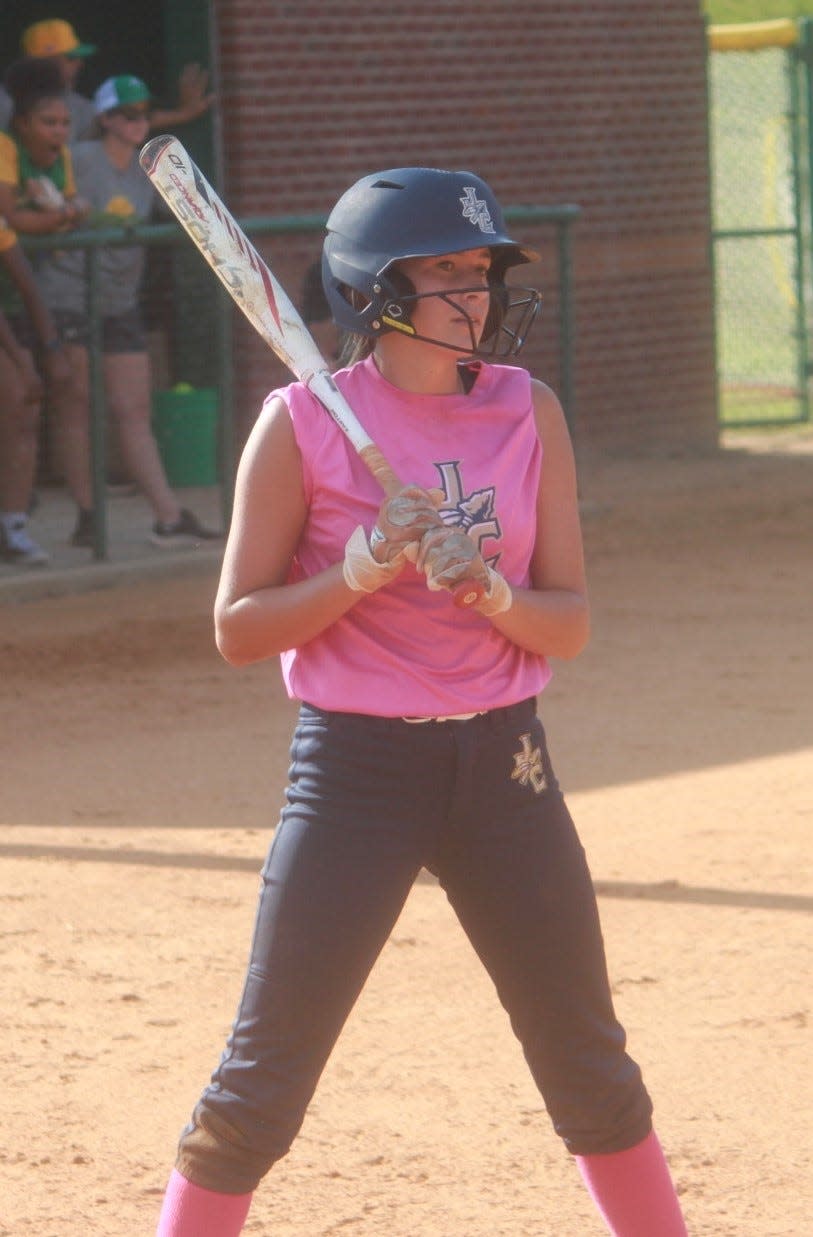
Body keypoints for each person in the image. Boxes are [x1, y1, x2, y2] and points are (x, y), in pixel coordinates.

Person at [153, 167, 689, 1237]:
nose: (476, 295)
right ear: (375, 289)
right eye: (446, 272)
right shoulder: (302, 422)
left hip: (507, 768)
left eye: (483, 271)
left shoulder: (527, 409)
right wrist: (353, 569)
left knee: (591, 1068)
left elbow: (567, 621)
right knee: (263, 1080)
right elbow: (238, 628)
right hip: (357, 773)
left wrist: (491, 589)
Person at [18, 73, 220, 549]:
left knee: (133, 408)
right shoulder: (78, 159)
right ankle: (90, 515)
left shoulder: (145, 169)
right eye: (128, 114)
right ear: (106, 119)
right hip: (68, 297)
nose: (138, 121)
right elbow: (40, 201)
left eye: (143, 113)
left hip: (119, 302)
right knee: (77, 407)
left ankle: (168, 517)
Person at [0, 18, 214, 143]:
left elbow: (120, 119)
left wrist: (182, 114)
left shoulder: (76, 105)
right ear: (39, 60)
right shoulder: (5, 101)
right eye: (70, 58)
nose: (78, 64)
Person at [0, 224, 72, 565]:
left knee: (23, 408)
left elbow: (29, 288)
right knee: (18, 387)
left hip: (12, 332)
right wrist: (20, 361)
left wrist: (52, 348)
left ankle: (12, 529)